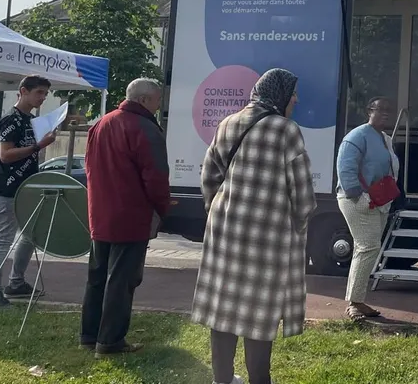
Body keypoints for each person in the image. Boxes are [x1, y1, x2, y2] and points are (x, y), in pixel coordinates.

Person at [191, 68, 316, 384]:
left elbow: (209, 177)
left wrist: (222, 213)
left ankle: (223, 379)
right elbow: (302, 196)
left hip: (224, 233)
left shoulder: (228, 123)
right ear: (280, 95)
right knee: (258, 313)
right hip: (266, 238)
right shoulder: (285, 130)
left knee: (223, 309)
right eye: (293, 93)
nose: (296, 100)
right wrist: (299, 223)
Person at [80, 78, 170, 355]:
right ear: (144, 100)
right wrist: (163, 206)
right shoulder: (145, 128)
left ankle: (89, 334)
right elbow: (156, 176)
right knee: (121, 280)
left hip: (100, 212)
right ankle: (110, 341)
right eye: (157, 100)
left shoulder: (101, 124)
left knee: (97, 277)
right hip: (130, 215)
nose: (158, 106)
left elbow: (89, 167)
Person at [0, 75, 57, 310]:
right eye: (39, 93)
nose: (43, 98)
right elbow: (6, 154)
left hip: (27, 185)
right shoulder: (10, 120)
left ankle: (16, 282)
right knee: (4, 237)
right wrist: (39, 146)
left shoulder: (31, 120)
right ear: (23, 91)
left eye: (45, 94)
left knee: (31, 234)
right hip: (7, 186)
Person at [335, 96, 399, 321]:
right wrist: (358, 197)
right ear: (368, 111)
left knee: (370, 247)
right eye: (380, 109)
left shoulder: (385, 139)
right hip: (358, 200)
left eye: (388, 110)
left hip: (378, 201)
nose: (385, 114)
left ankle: (358, 301)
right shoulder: (357, 136)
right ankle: (354, 303)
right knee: (367, 247)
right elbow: (345, 167)